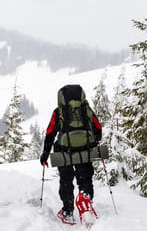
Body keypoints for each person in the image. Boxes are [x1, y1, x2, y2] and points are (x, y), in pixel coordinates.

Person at [39, 85, 103, 224]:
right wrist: (96, 140)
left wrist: (45, 153)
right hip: (85, 150)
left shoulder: (59, 111)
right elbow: (98, 127)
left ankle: (68, 212)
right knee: (85, 177)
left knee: (66, 180)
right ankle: (86, 200)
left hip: (64, 151)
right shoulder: (86, 110)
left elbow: (50, 133)